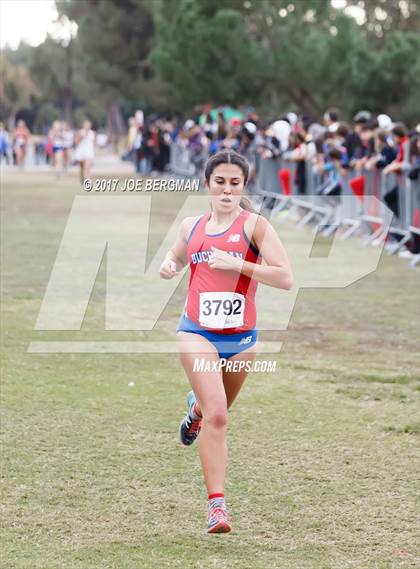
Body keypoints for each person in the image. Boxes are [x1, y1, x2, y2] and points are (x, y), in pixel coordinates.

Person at [159, 150, 293, 534]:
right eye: (220, 182)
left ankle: (194, 411)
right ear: (208, 184)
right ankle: (217, 508)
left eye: (235, 183)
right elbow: (175, 257)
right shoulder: (191, 225)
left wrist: (238, 264)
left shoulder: (256, 228)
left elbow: (284, 278)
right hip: (196, 333)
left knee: (213, 408)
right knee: (220, 414)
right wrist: (169, 265)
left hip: (241, 338)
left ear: (243, 185)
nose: (227, 189)